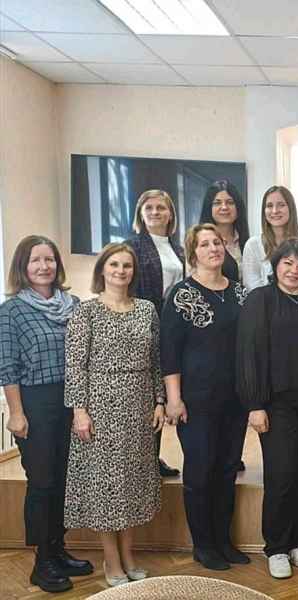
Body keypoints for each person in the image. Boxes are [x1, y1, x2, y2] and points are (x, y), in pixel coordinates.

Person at [63, 242, 165, 587]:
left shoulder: (147, 310)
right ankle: (111, 559)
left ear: (133, 272)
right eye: (114, 265)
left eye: (127, 265)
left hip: (139, 406)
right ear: (102, 270)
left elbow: (156, 361)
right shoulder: (86, 311)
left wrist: (159, 400)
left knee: (132, 484)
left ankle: (129, 555)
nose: (121, 271)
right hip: (100, 407)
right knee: (105, 486)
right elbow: (75, 366)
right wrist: (79, 411)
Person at [0, 235, 91, 593]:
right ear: (23, 267)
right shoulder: (11, 311)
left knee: (67, 480)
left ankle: (58, 549)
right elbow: (7, 367)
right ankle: (42, 562)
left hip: (73, 402)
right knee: (43, 482)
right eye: (35, 260)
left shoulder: (75, 305)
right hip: (36, 403)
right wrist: (16, 413)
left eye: (49, 259)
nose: (43, 266)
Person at [237, 239, 298, 579]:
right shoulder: (260, 300)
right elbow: (248, 353)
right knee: (281, 474)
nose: (294, 271)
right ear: (276, 266)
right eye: (288, 263)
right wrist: (255, 404)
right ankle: (275, 547)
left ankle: (295, 542)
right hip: (276, 405)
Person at [161, 224, 249, 572]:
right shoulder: (181, 294)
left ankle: (224, 541)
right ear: (192, 253)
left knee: (227, 470)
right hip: (196, 401)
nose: (213, 248)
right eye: (204, 244)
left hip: (235, 400)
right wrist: (174, 399)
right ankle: (204, 545)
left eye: (217, 242)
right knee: (200, 471)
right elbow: (169, 352)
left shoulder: (240, 293)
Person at [126, 189, 184, 479]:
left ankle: (153, 456)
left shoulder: (179, 248)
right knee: (147, 395)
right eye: (148, 207)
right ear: (140, 213)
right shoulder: (132, 246)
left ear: (170, 213)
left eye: (161, 207)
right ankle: (142, 460)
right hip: (145, 326)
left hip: (173, 326)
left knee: (162, 394)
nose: (155, 212)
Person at [241, 186, 298, 291]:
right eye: (269, 206)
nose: (275, 211)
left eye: (281, 205)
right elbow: (251, 286)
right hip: (262, 301)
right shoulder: (253, 245)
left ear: (290, 208)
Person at [199, 180, 249, 283]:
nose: (224, 207)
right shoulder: (199, 243)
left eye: (230, 202)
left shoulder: (247, 243)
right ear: (209, 208)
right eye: (217, 203)